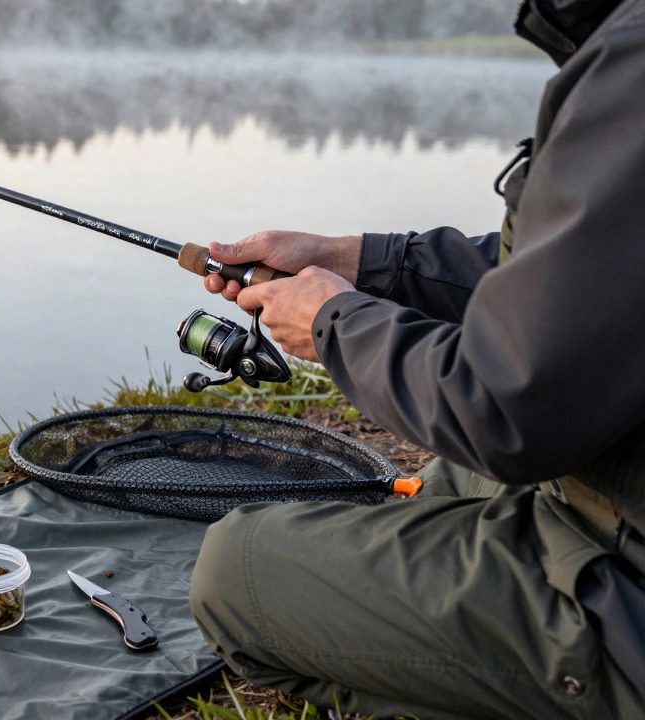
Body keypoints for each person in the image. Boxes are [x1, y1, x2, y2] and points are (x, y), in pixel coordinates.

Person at [186, 1, 645, 718]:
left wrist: (335, 323)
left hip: (631, 609)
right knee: (448, 481)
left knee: (235, 570)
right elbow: (579, 274)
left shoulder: (636, 63)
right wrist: (362, 262)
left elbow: (503, 412)